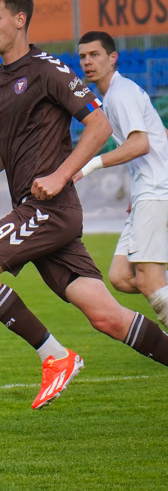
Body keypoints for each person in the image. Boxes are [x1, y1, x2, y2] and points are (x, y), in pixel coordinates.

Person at [0, 0, 168, 411]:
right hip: (33, 210)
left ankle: (54, 355)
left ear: (20, 20)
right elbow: (7, 141)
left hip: (49, 209)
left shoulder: (48, 68)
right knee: (106, 316)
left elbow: (100, 125)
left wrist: (61, 174)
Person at [75, 31, 168, 328]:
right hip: (146, 191)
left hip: (156, 192)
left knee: (149, 280)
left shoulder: (120, 93)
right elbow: (160, 137)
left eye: (95, 55)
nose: (88, 62)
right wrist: (135, 191)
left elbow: (140, 144)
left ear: (113, 58)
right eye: (83, 56)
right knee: (120, 276)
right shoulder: (115, 95)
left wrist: (89, 165)